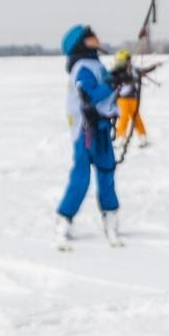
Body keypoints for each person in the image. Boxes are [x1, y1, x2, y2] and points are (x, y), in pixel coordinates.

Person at [56, 24, 122, 249]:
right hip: (85, 132)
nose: (97, 39)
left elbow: (108, 91)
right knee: (81, 176)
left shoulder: (97, 65)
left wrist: (122, 77)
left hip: (101, 129)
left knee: (107, 173)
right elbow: (90, 95)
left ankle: (110, 215)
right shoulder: (83, 67)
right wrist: (112, 81)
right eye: (92, 37)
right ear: (81, 43)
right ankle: (64, 217)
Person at [110, 49, 151, 148]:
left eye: (127, 60)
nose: (127, 62)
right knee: (123, 117)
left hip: (133, 98)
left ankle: (142, 136)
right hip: (122, 99)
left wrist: (154, 66)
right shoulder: (115, 72)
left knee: (136, 117)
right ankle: (120, 137)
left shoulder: (133, 70)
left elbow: (143, 71)